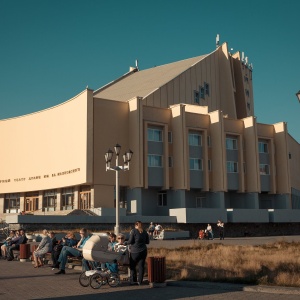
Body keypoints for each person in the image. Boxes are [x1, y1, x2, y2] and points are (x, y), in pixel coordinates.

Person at [125, 221, 149, 285]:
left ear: (136, 225)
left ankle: (133, 280)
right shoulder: (145, 232)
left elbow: (130, 241)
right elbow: (147, 242)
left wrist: (125, 243)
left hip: (135, 251)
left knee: (132, 266)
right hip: (143, 251)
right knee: (141, 266)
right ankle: (140, 281)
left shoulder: (134, 231)